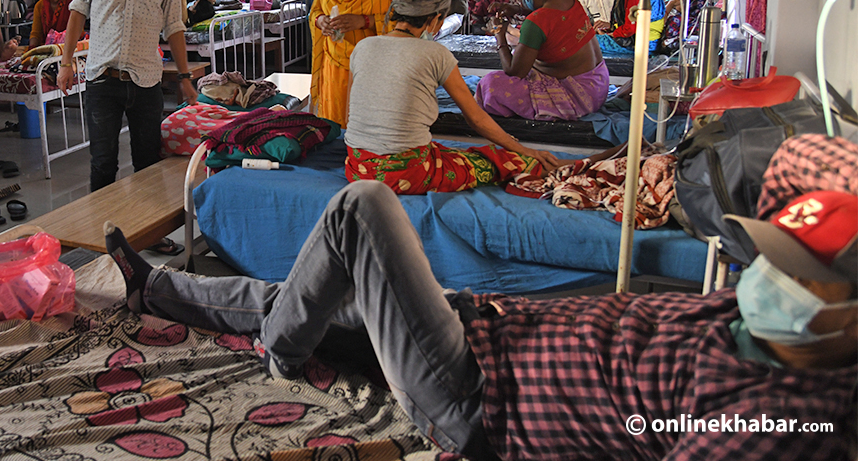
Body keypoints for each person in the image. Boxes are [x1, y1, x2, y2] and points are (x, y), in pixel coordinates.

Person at [103, 184, 856, 461]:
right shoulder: (747, 311)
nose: (767, 279)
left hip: (478, 398)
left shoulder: (787, 413)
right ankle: (159, 288)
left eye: (796, 275)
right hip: (486, 331)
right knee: (323, 297)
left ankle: (279, 350)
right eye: (772, 260)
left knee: (360, 210)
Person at [345, 0, 562, 194]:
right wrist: (524, 150)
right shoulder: (434, 53)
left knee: (444, 152)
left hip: (357, 168)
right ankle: (560, 165)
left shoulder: (362, 47)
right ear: (436, 18)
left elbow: (349, 113)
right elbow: (476, 120)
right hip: (408, 174)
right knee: (501, 161)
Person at [56, 0, 199, 192]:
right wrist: (65, 64)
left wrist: (185, 77)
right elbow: (78, 13)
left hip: (146, 82)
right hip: (102, 80)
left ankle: (148, 235)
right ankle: (102, 233)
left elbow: (174, 27)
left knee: (147, 163)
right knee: (102, 162)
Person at [474, 0, 609, 121]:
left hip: (578, 99)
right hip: (599, 86)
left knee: (490, 84)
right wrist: (517, 9)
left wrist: (499, 34)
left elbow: (515, 71)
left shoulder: (535, 22)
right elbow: (549, 18)